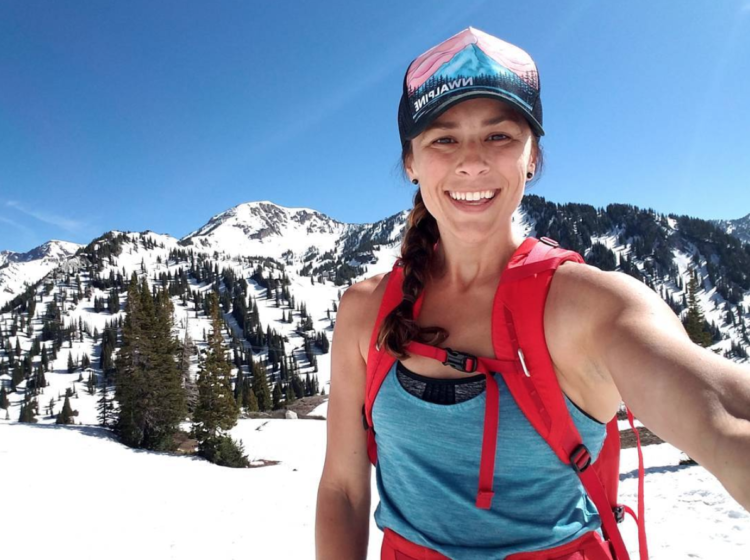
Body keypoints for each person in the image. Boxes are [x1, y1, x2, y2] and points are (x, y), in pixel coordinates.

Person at [315, 27, 750, 560]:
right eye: (443, 138)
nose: (471, 161)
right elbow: (343, 488)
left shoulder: (591, 307)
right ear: (411, 161)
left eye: (499, 136)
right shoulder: (366, 311)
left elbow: (727, 419)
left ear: (532, 157)